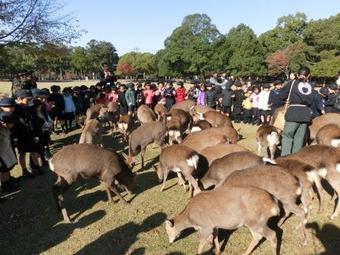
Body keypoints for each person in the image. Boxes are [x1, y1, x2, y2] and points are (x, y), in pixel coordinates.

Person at [280, 66, 314, 156]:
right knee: (299, 139)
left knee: (287, 136)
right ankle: (296, 159)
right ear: (308, 75)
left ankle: (285, 158)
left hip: (293, 112)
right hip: (305, 114)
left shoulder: (292, 83)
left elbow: (281, 95)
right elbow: (311, 101)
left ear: (298, 75)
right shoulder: (311, 86)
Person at [12, 89, 41, 178]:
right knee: (22, 153)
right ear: (19, 98)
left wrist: (36, 134)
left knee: (33, 151)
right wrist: (15, 137)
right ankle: (24, 171)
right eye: (27, 100)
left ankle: (36, 167)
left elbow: (34, 121)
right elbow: (13, 125)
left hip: (31, 134)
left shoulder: (30, 108)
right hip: (20, 136)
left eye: (30, 99)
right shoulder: (14, 109)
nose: (29, 101)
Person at [0, 112, 19, 192]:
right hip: (1, 155)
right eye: (12, 123)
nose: (13, 125)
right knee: (3, 170)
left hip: (6, 152)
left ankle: (8, 183)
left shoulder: (5, 129)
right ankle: (5, 186)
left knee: (6, 169)